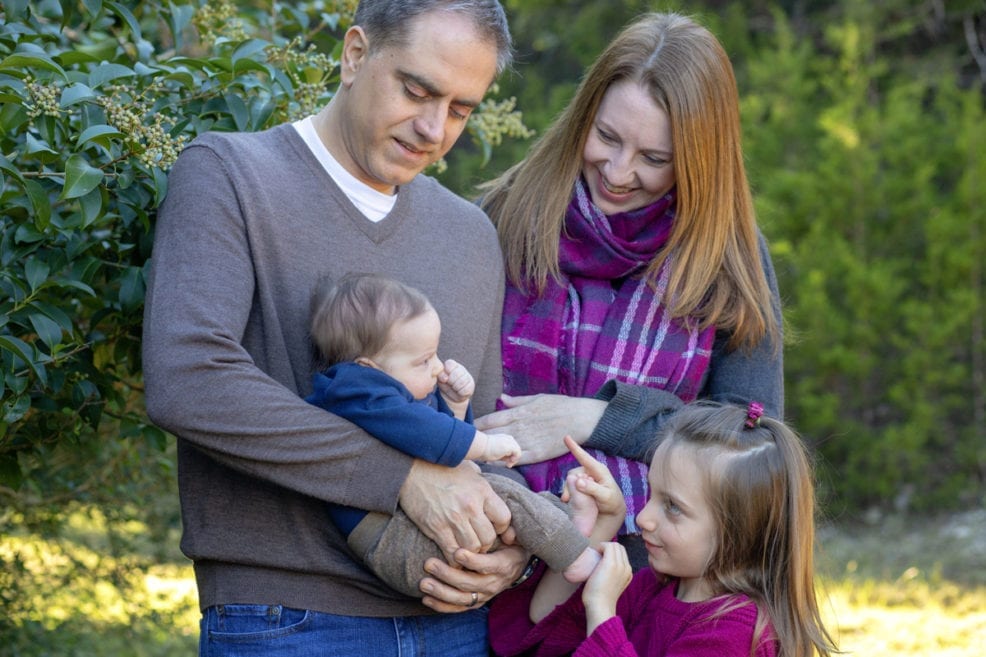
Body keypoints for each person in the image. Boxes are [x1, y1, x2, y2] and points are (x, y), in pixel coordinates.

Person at [141, 2, 530, 655]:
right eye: (417, 91)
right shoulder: (230, 174)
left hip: (456, 621)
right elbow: (190, 378)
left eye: (461, 110)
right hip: (286, 617)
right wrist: (401, 477)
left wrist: (511, 553)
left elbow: (488, 428)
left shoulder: (470, 235)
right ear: (355, 55)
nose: (434, 128)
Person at [472, 11, 784, 567]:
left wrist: (593, 420)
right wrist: (523, 541)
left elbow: (748, 443)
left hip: (645, 575)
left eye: (654, 159)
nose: (617, 172)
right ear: (583, 116)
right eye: (607, 137)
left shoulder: (727, 256)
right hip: (489, 541)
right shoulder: (503, 216)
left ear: (699, 161)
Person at [305, 272, 604, 597]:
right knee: (499, 492)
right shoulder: (355, 389)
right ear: (369, 366)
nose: (438, 367)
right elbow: (426, 433)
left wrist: (455, 404)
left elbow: (435, 443)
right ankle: (574, 556)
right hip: (396, 542)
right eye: (423, 361)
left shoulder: (381, 395)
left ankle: (564, 523)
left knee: (496, 497)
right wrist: (486, 445)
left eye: (435, 354)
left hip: (415, 536)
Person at [488, 402, 839, 657]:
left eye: (672, 507)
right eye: (652, 495)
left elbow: (594, 622)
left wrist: (602, 612)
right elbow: (544, 620)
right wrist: (597, 528)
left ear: (740, 532)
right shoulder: (650, 589)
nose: (643, 518)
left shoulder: (738, 632)